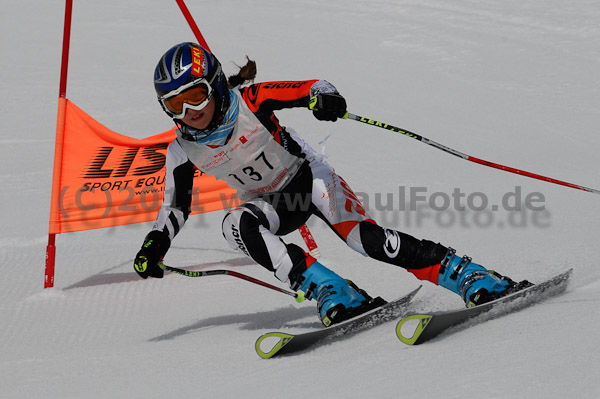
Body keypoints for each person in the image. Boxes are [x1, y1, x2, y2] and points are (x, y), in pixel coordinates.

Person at [134, 42, 531, 327]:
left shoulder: (250, 101)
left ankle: (470, 276)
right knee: (234, 225)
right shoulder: (183, 149)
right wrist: (156, 244)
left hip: (309, 179)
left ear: (216, 84)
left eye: (196, 96)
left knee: (367, 241)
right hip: (275, 204)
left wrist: (324, 99)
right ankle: (336, 292)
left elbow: (313, 86)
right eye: (175, 105)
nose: (190, 112)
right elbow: (174, 206)